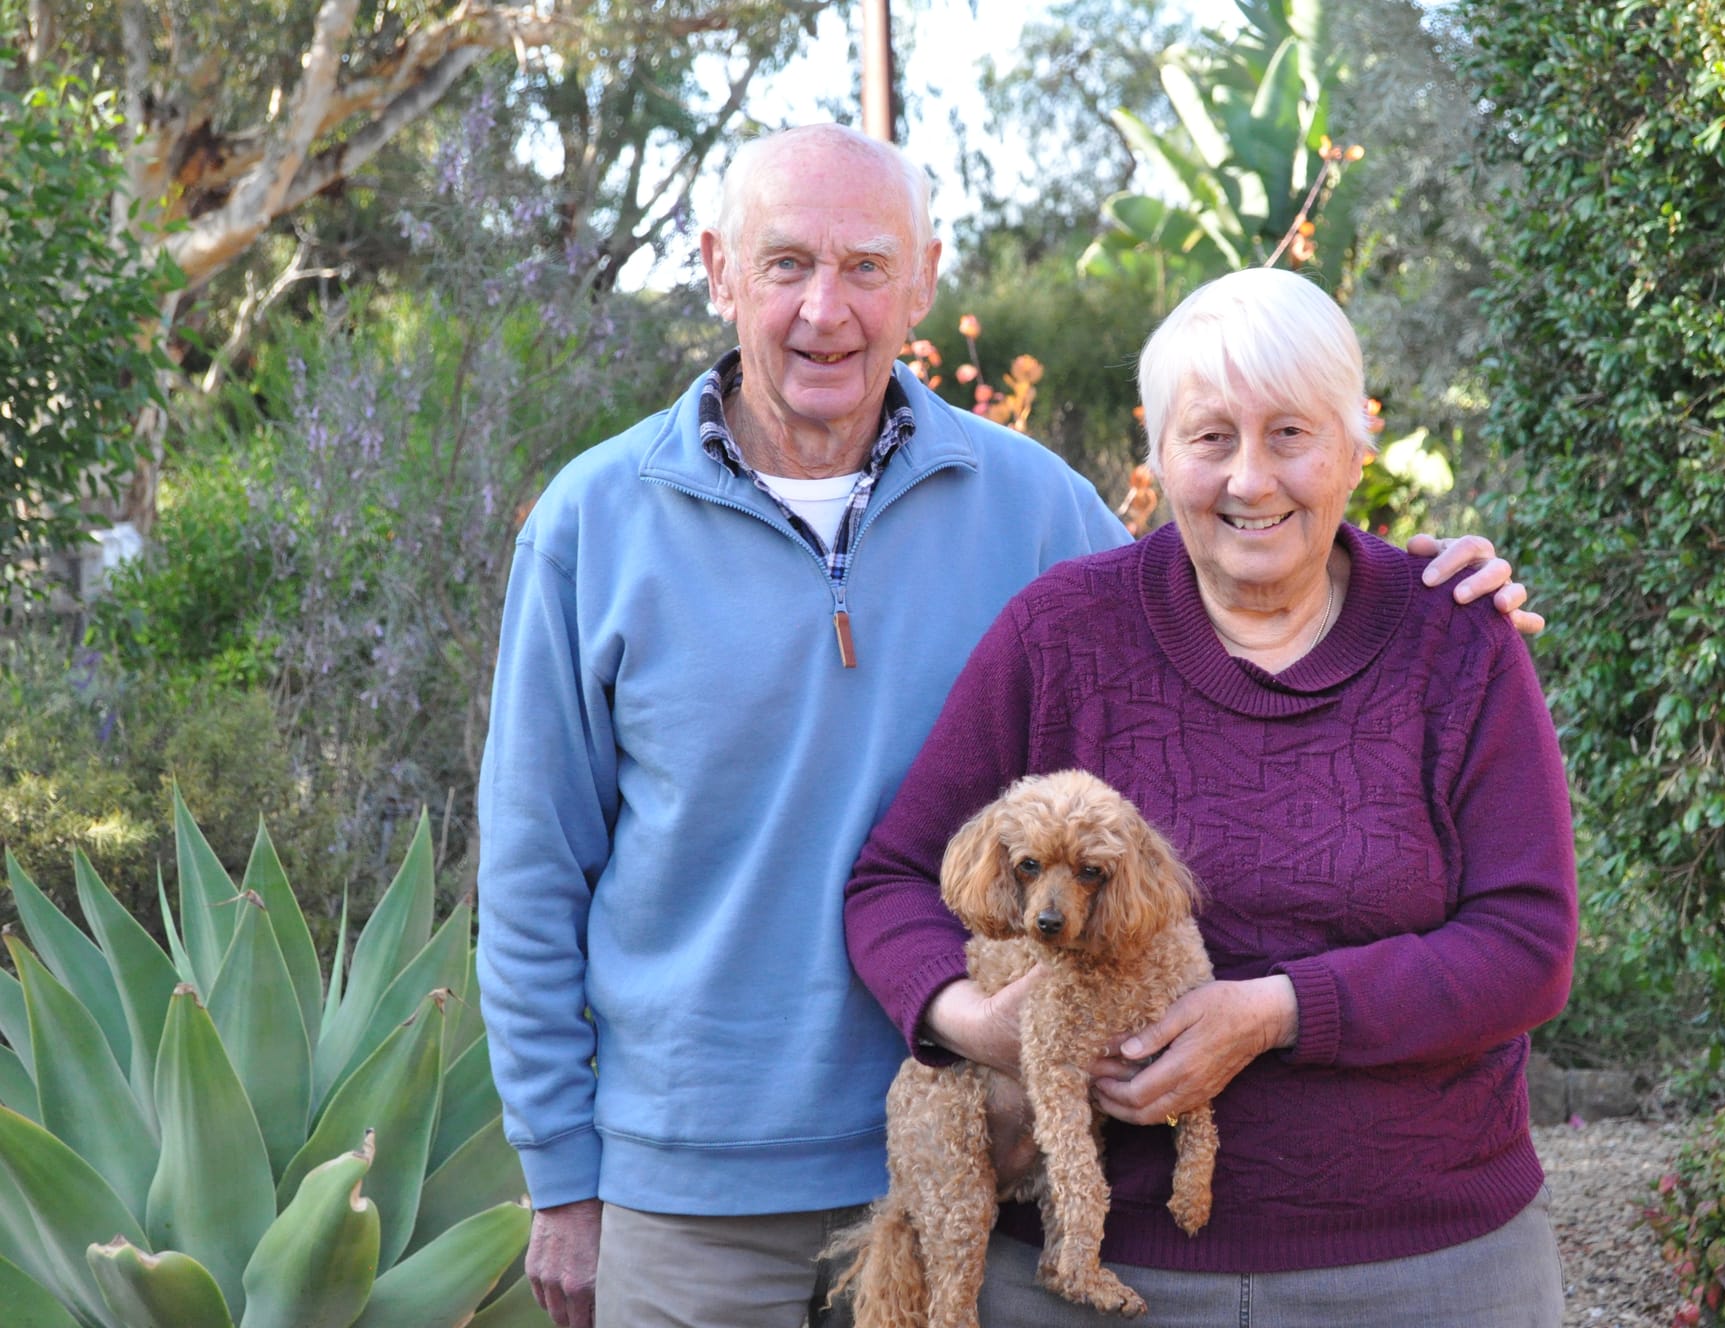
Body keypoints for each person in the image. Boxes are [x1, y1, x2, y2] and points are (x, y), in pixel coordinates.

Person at [476, 125, 1536, 1328]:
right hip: (691, 1190)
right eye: (784, 264)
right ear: (719, 268)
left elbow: (1239, 582)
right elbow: (531, 871)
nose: (826, 308)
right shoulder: (594, 524)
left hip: (988, 1164)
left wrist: (1429, 588)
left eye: (867, 266)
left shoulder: (1037, 509)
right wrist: (560, 1175)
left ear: (923, 278)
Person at [844, 266, 1578, 1326]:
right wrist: (971, 1020)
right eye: (1208, 437)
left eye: (1290, 433)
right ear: (1154, 453)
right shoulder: (1060, 636)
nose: (1249, 478)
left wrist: (1275, 1011)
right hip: (1096, 1279)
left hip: (1420, 1266)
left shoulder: (1454, 643)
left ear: (1353, 443)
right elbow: (891, 877)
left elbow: (1525, 944)